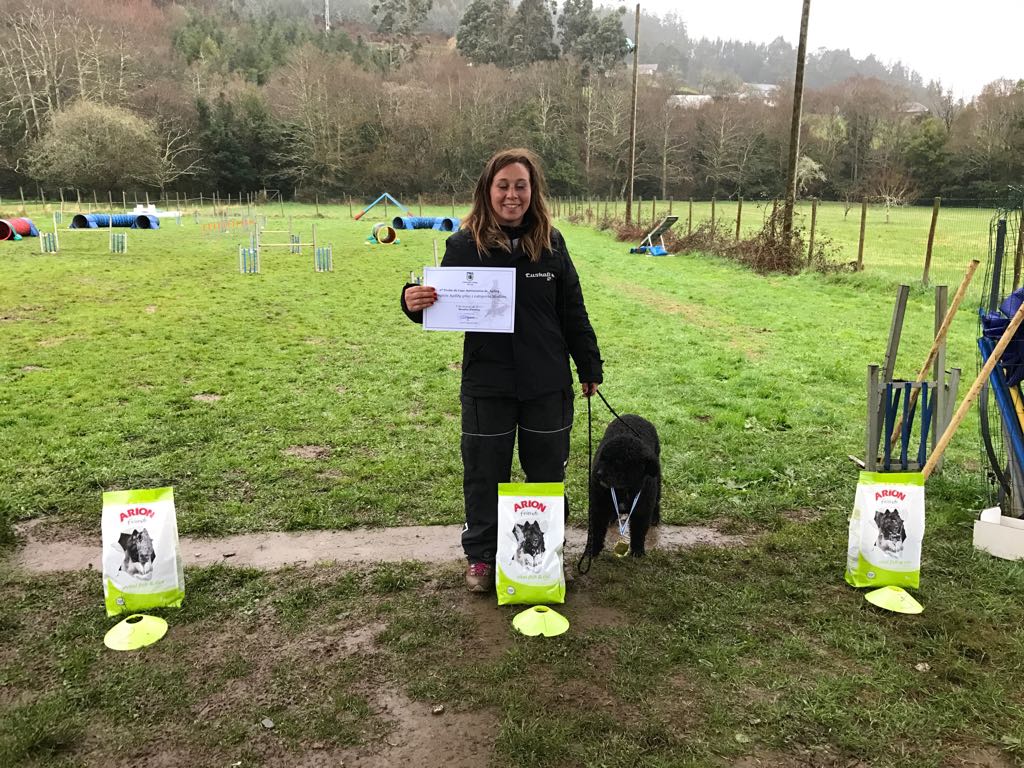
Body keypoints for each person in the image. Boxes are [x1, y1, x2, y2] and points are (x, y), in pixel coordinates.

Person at [401, 148, 603, 592]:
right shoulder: (462, 244)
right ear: (487, 190)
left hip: (547, 385)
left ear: (533, 191)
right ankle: (481, 558)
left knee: (547, 474)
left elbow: (573, 310)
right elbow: (436, 302)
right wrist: (412, 301)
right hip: (487, 384)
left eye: (521, 186)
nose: (512, 195)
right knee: (483, 472)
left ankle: (545, 557)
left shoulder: (553, 244)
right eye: (503, 186)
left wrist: (588, 364)